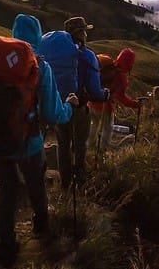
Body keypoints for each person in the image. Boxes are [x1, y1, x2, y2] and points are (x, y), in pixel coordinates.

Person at [0, 14, 77, 268]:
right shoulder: (39, 66)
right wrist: (69, 106)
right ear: (37, 36)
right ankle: (41, 229)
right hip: (29, 142)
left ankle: (5, 245)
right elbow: (52, 113)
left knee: (7, 189)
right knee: (36, 185)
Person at [56, 16, 108, 189]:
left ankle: (64, 183)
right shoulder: (86, 55)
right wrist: (104, 95)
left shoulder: (58, 54)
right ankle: (79, 182)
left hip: (59, 106)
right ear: (81, 34)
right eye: (84, 31)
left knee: (63, 145)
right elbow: (94, 90)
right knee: (79, 145)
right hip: (78, 108)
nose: (86, 34)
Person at [88, 47, 146, 150]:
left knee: (94, 124)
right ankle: (103, 149)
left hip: (92, 101)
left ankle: (89, 145)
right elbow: (121, 98)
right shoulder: (121, 77)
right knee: (107, 128)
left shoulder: (107, 66)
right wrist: (135, 104)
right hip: (105, 106)